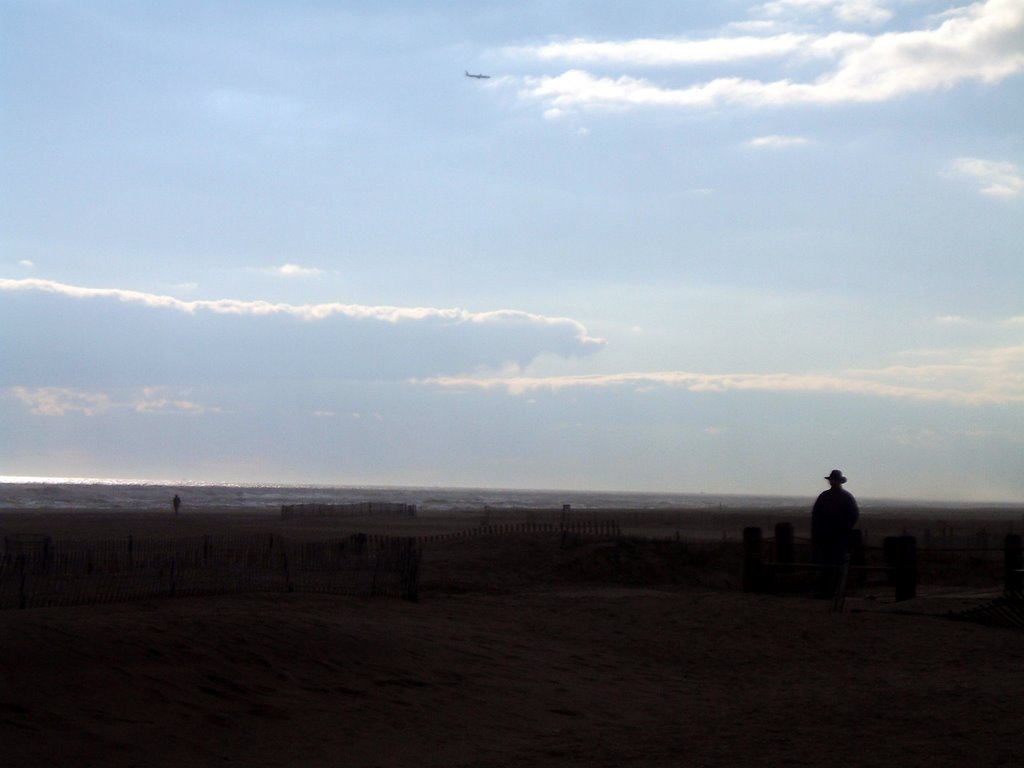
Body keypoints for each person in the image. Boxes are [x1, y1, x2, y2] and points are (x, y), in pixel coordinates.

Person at [811, 469, 859, 597]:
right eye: (832, 480)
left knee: (836, 563)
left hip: (838, 537)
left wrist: (843, 529)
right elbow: (816, 516)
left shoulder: (841, 497)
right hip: (828, 536)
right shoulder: (827, 497)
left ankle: (835, 590)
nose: (833, 482)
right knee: (827, 563)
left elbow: (853, 516)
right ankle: (827, 590)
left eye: (834, 480)